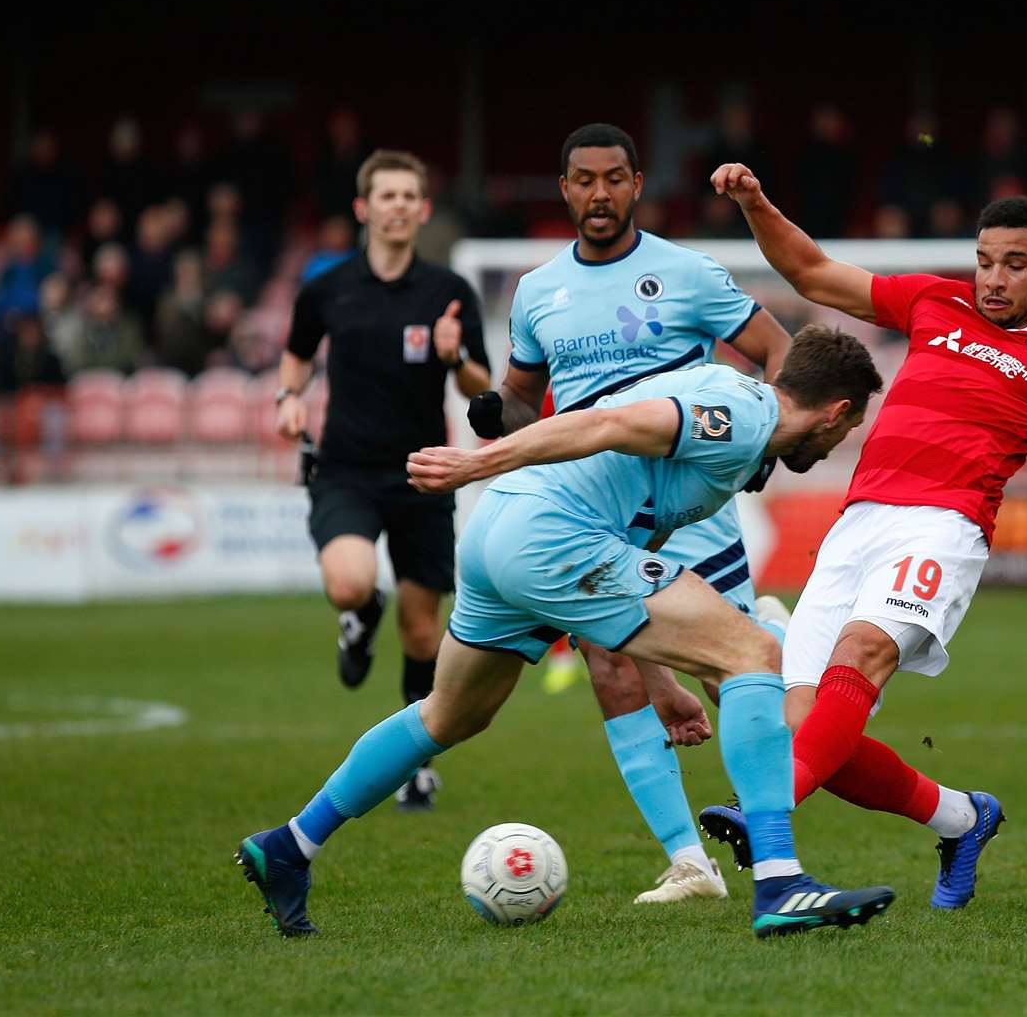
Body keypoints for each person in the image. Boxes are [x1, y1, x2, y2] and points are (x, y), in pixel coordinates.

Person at [236, 328, 897, 940]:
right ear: (837, 412)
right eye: (851, 429)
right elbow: (605, 423)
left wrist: (660, 682)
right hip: (549, 533)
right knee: (754, 651)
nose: (842, 443)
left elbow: (637, 545)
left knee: (449, 715)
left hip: (504, 533)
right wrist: (476, 464)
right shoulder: (742, 420)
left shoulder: (735, 410)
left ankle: (291, 845)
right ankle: (781, 882)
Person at [697, 163, 1027, 910]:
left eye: (1014, 264)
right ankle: (964, 818)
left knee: (863, 655)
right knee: (819, 737)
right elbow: (811, 270)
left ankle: (764, 808)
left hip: (944, 528)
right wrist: (756, 204)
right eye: (984, 260)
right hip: (857, 524)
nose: (993, 278)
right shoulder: (931, 299)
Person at [465, 123, 793, 904]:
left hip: (690, 502)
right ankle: (690, 862)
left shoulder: (686, 272)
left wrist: (764, 441)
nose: (600, 193)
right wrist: (492, 410)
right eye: (585, 179)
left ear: (638, 184)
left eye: (615, 178)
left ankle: (781, 830)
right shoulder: (538, 291)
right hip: (593, 509)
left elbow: (779, 350)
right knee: (611, 667)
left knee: (735, 673)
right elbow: (521, 397)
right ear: (565, 188)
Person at [275, 149, 492, 808]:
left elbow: (483, 391)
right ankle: (362, 610)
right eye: (386, 196)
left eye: (409, 196)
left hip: (424, 474)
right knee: (348, 583)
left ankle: (416, 760)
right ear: (364, 209)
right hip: (345, 469)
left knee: (424, 633)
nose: (398, 206)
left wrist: (458, 360)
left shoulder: (448, 293)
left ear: (423, 210)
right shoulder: (327, 288)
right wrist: (288, 399)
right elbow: (296, 356)